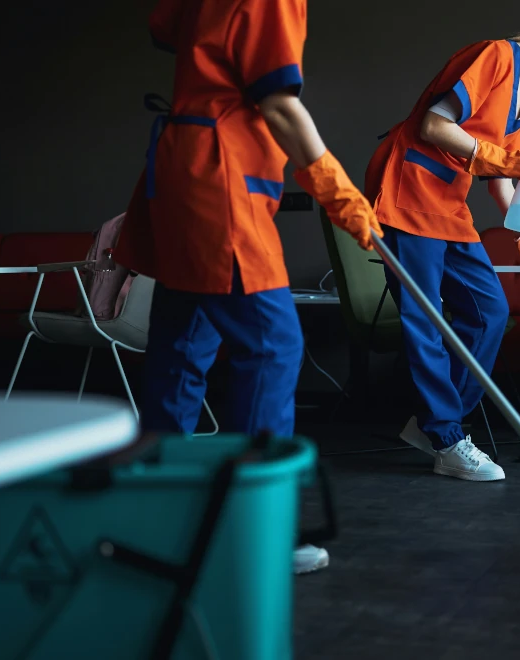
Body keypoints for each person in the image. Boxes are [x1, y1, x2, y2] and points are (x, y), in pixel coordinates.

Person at [114, 0, 382, 575]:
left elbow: (166, 25)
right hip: (219, 183)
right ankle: (253, 527)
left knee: (182, 349)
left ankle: (159, 509)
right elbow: (279, 103)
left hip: (184, 177)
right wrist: (346, 200)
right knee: (270, 346)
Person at [364, 8, 520, 482]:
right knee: (426, 318)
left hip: (449, 206)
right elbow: (433, 125)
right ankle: (448, 437)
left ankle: (433, 425)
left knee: (489, 313)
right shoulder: (494, 57)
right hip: (408, 191)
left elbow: (502, 183)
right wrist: (506, 160)